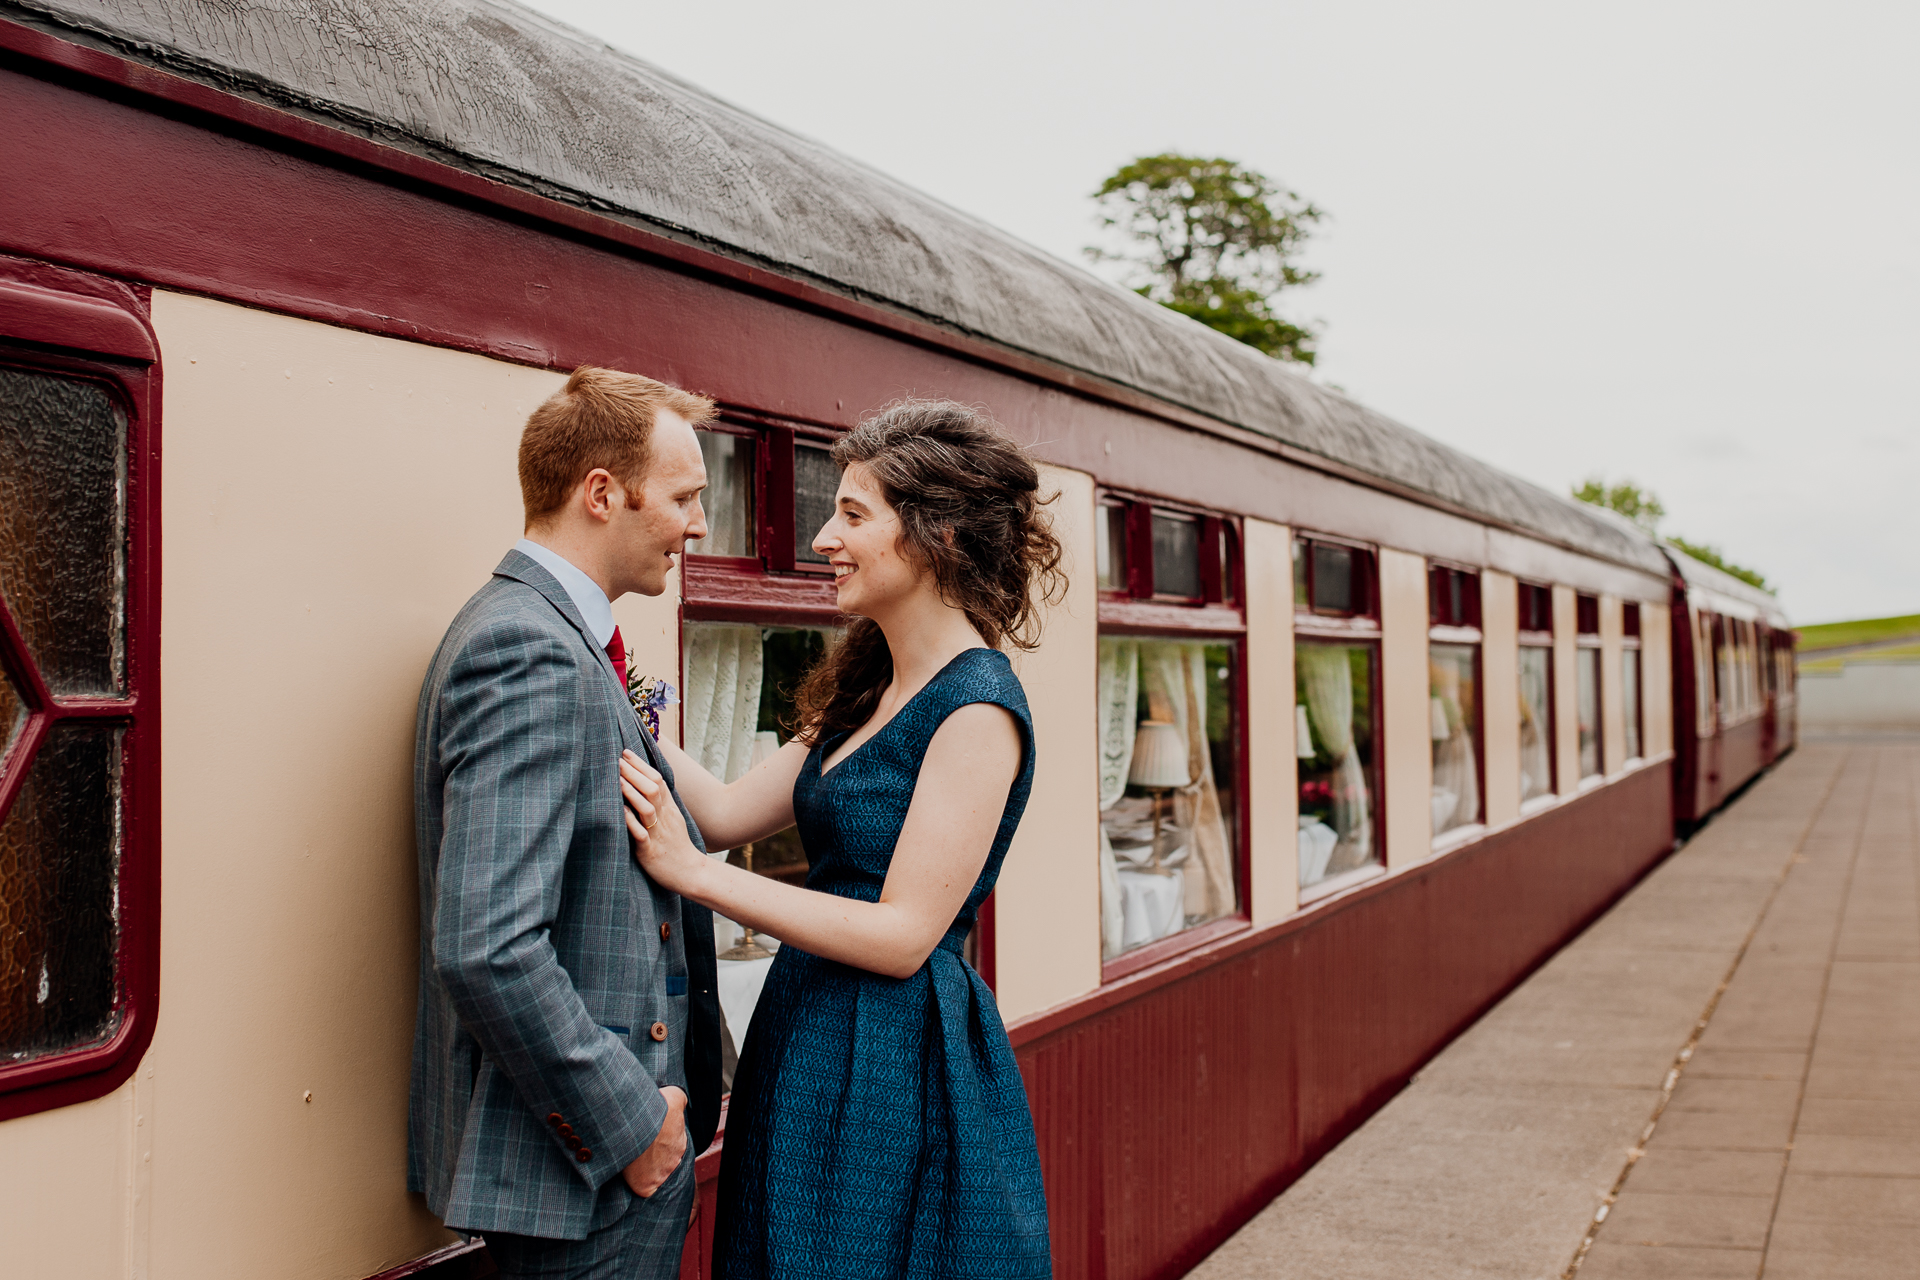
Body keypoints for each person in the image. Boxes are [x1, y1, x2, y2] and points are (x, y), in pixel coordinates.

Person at [620, 400, 1062, 1279]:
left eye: (853, 515)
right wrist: (614, 697)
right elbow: (722, 811)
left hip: (897, 1052)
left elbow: (903, 939)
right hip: (812, 1028)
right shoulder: (869, 689)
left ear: (935, 535)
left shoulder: (977, 708)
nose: (824, 536)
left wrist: (695, 878)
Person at [409, 367, 724, 1279]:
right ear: (601, 494)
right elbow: (487, 944)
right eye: (683, 498)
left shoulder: (554, 639)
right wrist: (636, 1129)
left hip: (588, 1184)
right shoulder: (528, 650)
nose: (697, 525)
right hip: (585, 1187)